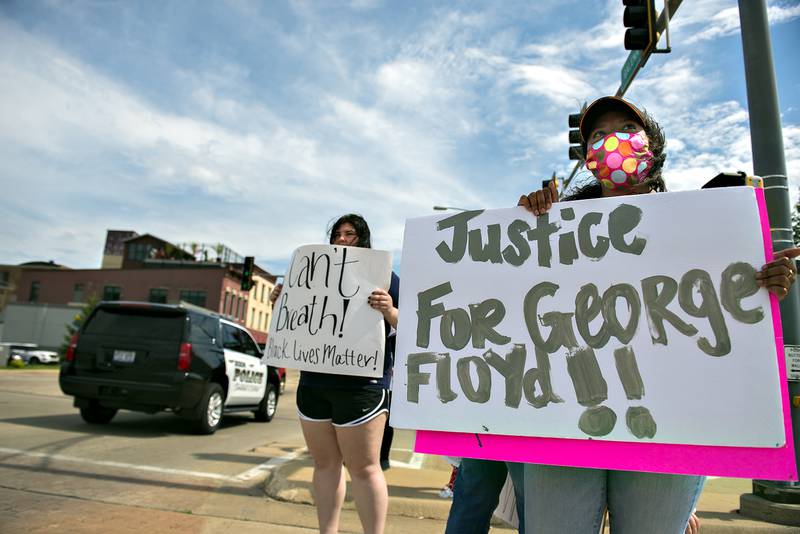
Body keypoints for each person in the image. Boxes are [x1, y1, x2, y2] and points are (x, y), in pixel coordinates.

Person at [516, 95, 800, 534]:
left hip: (669, 429)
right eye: (597, 135)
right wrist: (526, 221)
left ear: (652, 145)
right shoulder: (559, 223)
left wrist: (765, 284)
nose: (612, 140)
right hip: (568, 421)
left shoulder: (704, 224)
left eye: (625, 130)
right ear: (588, 158)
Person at [270, 214, 399, 534]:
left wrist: (389, 310)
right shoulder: (311, 274)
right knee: (325, 464)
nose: (342, 239)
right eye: (338, 234)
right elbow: (295, 323)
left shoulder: (384, 276)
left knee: (364, 468)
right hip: (314, 382)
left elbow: (412, 328)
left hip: (362, 388)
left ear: (363, 238)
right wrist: (280, 301)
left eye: (350, 234)